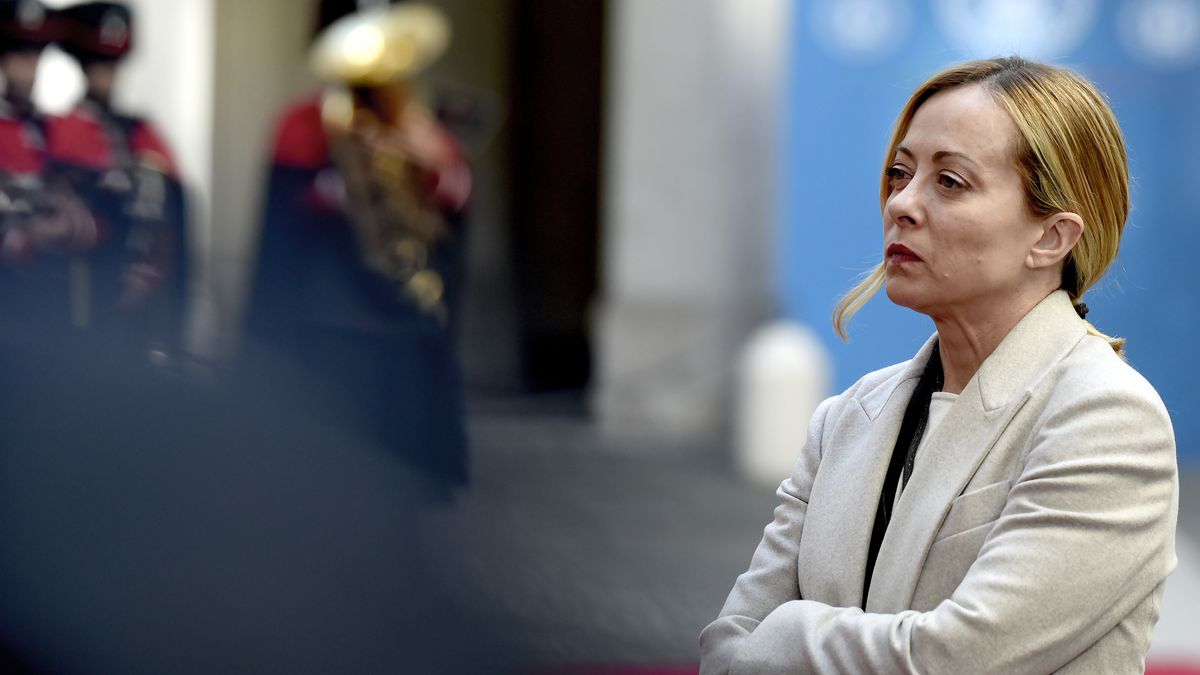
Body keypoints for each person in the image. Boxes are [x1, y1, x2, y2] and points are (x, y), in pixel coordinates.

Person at [700, 57, 1178, 674]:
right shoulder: (845, 418)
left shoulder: (1107, 417)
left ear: (1051, 238)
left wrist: (788, 633)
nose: (902, 202)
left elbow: (956, 658)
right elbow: (727, 645)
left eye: (950, 182)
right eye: (900, 172)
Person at [243, 0, 472, 499]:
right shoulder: (305, 123)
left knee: (401, 478)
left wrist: (431, 165)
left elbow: (452, 204)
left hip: (401, 325)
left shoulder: (411, 121)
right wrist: (340, 185)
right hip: (329, 320)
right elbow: (282, 227)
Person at [45, 1, 189, 367]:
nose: (107, 77)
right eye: (98, 67)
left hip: (149, 289)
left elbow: (177, 200)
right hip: (92, 287)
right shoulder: (62, 127)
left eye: (112, 67)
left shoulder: (141, 130)